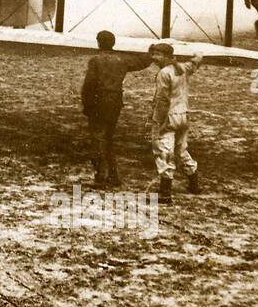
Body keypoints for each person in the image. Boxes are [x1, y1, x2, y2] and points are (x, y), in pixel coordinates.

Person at [80, 30, 153, 188]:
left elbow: (89, 84)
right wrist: (150, 53)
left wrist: (86, 104)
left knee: (98, 137)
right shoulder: (122, 59)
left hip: (99, 101)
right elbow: (141, 63)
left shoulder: (96, 60)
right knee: (108, 139)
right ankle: (113, 175)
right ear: (113, 43)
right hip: (115, 102)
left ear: (99, 42)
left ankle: (101, 176)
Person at [148, 43, 204, 205]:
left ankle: (165, 194)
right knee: (181, 150)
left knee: (163, 151)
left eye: (157, 54)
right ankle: (194, 182)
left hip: (169, 117)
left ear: (166, 56)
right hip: (183, 115)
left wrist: (158, 120)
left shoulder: (164, 73)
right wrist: (197, 53)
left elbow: (163, 100)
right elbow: (196, 61)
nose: (154, 58)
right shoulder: (182, 68)